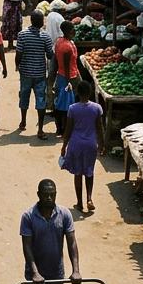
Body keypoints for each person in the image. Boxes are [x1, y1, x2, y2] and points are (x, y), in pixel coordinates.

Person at [20, 179, 82, 284]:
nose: (49, 198)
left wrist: (76, 271)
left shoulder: (64, 214)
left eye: (52, 195)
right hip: (35, 277)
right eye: (45, 195)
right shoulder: (28, 216)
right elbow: (27, 246)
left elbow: (71, 243)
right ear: (38, 195)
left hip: (56, 275)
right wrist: (35, 273)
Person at [60, 79, 105, 214]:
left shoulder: (73, 109)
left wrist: (64, 146)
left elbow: (68, 130)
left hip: (76, 144)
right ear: (90, 92)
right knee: (89, 172)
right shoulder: (97, 108)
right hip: (90, 144)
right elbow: (99, 128)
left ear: (78, 93)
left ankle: (79, 203)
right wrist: (102, 144)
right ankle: (89, 198)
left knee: (78, 173)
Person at [16, 9, 54, 139]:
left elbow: (19, 53)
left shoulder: (22, 35)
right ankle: (40, 129)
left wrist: (17, 65)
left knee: (24, 96)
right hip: (39, 74)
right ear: (42, 21)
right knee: (40, 100)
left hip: (25, 72)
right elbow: (49, 55)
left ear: (31, 20)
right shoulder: (46, 37)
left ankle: (23, 121)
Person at [53, 20, 80, 136]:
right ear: (69, 32)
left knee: (61, 103)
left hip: (62, 75)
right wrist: (69, 82)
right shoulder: (67, 47)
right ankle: (62, 129)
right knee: (64, 105)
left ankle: (61, 127)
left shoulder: (60, 41)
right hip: (67, 77)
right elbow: (67, 65)